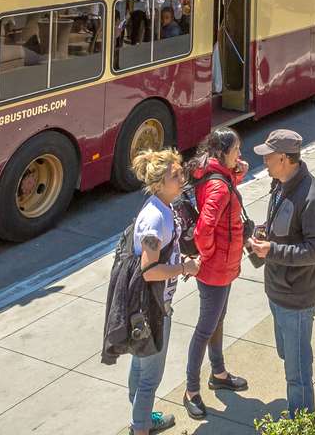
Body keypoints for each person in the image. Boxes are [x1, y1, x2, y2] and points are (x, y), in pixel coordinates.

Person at [247, 130, 315, 419]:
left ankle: (302, 423)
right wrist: (264, 234)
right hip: (278, 291)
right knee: (288, 355)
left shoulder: (312, 198)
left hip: (297, 299)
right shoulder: (280, 184)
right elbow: (284, 225)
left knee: (297, 373)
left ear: (284, 158)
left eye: (269, 156)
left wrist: (272, 251)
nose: (264, 161)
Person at [126, 148, 200, 435]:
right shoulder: (156, 219)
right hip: (151, 310)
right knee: (149, 378)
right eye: (175, 175)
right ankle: (140, 427)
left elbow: (159, 260)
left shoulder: (164, 209)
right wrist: (185, 269)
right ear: (158, 184)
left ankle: (140, 418)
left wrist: (180, 262)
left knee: (140, 368)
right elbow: (149, 270)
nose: (182, 177)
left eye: (181, 171)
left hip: (147, 305)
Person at [182, 128, 250, 420]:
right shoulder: (220, 187)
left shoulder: (214, 172)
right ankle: (191, 390)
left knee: (217, 320)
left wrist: (238, 170)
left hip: (222, 264)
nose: (240, 155)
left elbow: (222, 184)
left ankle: (218, 372)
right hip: (216, 268)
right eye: (236, 151)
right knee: (205, 328)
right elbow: (204, 231)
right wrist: (209, 257)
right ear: (222, 153)